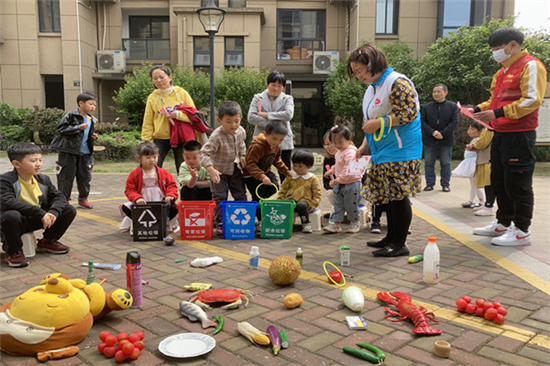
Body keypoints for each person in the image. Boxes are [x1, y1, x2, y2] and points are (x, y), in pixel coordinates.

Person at [470, 27, 547, 246]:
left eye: (497, 48)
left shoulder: (531, 65)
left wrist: (498, 113)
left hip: (519, 134)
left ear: (512, 45)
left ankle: (522, 230)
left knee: (518, 183)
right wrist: (477, 108)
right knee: (499, 180)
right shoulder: (502, 72)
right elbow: (495, 102)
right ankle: (503, 223)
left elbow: (532, 100)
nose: (495, 53)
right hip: (500, 133)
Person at [349, 43, 422, 257]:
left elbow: (409, 113)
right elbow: (368, 122)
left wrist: (380, 123)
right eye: (355, 73)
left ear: (373, 64)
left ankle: (400, 243)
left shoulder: (397, 82)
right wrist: (364, 146)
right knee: (387, 196)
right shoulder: (372, 88)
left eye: (359, 71)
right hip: (382, 152)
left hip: (401, 150)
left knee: (398, 197)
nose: (358, 76)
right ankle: (390, 238)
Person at [0, 143, 76, 268]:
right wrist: (39, 212)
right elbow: (7, 202)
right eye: (33, 161)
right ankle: (14, 251)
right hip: (10, 223)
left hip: (34, 218)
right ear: (16, 164)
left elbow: (59, 197)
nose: (39, 164)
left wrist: (53, 212)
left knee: (68, 210)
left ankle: (48, 240)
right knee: (11, 215)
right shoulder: (5, 181)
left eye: (40, 160)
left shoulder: (43, 179)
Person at [142, 65, 202, 174]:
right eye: (155, 78)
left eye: (161, 77)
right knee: (152, 167)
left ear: (170, 77)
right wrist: (146, 141)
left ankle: (185, 190)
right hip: (160, 138)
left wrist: (178, 115)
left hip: (181, 137)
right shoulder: (152, 97)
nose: (158, 80)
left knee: (184, 169)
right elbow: (148, 122)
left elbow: (195, 116)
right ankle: (155, 190)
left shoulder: (181, 93)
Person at [200, 101, 248, 235]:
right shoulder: (216, 136)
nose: (233, 125)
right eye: (228, 121)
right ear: (219, 120)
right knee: (220, 196)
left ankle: (243, 219)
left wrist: (242, 155)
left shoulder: (241, 131)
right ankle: (220, 222)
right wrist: (210, 169)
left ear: (240, 119)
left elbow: (241, 143)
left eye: (236, 121)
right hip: (218, 172)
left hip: (235, 168)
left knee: (240, 194)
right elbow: (203, 153)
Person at [50, 92, 98, 209]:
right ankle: (64, 200)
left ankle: (83, 199)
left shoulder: (91, 119)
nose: (93, 107)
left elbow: (86, 135)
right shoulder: (71, 116)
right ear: (81, 103)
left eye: (94, 105)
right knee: (66, 176)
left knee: (85, 177)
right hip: (69, 151)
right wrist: (77, 127)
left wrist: (93, 137)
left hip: (85, 153)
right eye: (90, 104)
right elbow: (61, 129)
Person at [121, 142, 180, 233]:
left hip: (160, 200)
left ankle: (167, 224)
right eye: (148, 157)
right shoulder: (134, 174)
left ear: (158, 156)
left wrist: (170, 195)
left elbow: (171, 185)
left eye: (154, 157)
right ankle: (139, 224)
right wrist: (137, 198)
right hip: (143, 201)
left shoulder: (163, 172)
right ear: (139, 158)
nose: (152, 160)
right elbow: (130, 189)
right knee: (126, 207)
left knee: (174, 207)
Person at [248, 71, 295, 183]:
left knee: (284, 168)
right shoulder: (258, 98)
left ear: (283, 87)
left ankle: (287, 195)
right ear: (267, 84)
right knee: (260, 169)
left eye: (279, 86)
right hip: (262, 139)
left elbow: (288, 115)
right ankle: (259, 196)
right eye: (273, 85)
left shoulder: (287, 98)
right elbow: (251, 117)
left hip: (283, 140)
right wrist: (274, 126)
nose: (276, 88)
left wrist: (267, 115)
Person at [243, 121, 291, 226]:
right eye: (274, 139)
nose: (277, 142)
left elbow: (277, 160)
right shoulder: (257, 146)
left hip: (265, 172)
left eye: (281, 140)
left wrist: (286, 171)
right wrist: (261, 176)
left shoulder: (277, 146)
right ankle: (260, 220)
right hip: (251, 174)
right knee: (259, 195)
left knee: (274, 188)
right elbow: (250, 164)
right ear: (266, 134)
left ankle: (263, 214)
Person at [323, 125, 363, 234]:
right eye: (334, 143)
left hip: (351, 183)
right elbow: (338, 165)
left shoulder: (350, 152)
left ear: (349, 139)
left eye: (340, 142)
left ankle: (355, 222)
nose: (337, 145)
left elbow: (348, 169)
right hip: (341, 183)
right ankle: (335, 223)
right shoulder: (339, 152)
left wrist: (337, 179)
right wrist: (331, 171)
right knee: (338, 204)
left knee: (351, 205)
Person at [421, 84, 459, 192]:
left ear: (445, 93)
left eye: (438, 91)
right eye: (434, 92)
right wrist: (433, 132)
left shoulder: (452, 106)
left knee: (445, 162)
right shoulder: (426, 107)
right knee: (428, 162)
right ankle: (430, 183)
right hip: (430, 138)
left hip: (446, 138)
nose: (436, 94)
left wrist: (443, 133)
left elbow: (454, 122)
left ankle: (445, 184)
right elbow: (422, 122)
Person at [278, 150, 322, 233]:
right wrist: (281, 199)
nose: (296, 168)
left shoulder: (312, 178)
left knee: (301, 205)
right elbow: (283, 188)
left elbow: (317, 193)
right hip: (291, 200)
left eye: (300, 166)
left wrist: (314, 204)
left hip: (306, 202)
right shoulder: (290, 176)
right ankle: (283, 223)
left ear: (309, 166)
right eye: (294, 165)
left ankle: (306, 223)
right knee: (283, 206)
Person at [453, 121, 485, 209]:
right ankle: (472, 200)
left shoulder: (480, 140)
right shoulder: (474, 139)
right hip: (469, 163)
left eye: (472, 129)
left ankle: (483, 202)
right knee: (473, 184)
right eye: (469, 129)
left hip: (474, 164)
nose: (469, 131)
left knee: (477, 184)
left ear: (481, 131)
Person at [467, 122, 495, 217]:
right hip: (486, 159)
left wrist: (474, 145)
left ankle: (488, 206)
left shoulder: (489, 128)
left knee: (488, 184)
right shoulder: (489, 127)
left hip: (487, 159)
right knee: (485, 184)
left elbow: (483, 142)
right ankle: (486, 204)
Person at [322, 129, 337, 219]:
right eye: (327, 144)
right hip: (337, 191)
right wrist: (332, 185)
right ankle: (339, 210)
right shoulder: (328, 160)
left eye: (333, 143)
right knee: (330, 193)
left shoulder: (351, 156)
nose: (330, 146)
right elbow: (325, 182)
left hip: (354, 191)